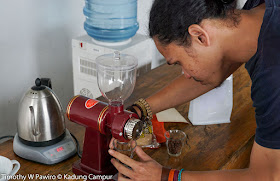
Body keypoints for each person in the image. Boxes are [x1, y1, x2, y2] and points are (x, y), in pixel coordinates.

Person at [108, 0, 280, 180]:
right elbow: (207, 73)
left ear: (199, 35)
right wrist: (139, 110)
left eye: (179, 63)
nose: (186, 74)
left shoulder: (273, 75)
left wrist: (165, 176)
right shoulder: (255, 18)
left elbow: (267, 176)